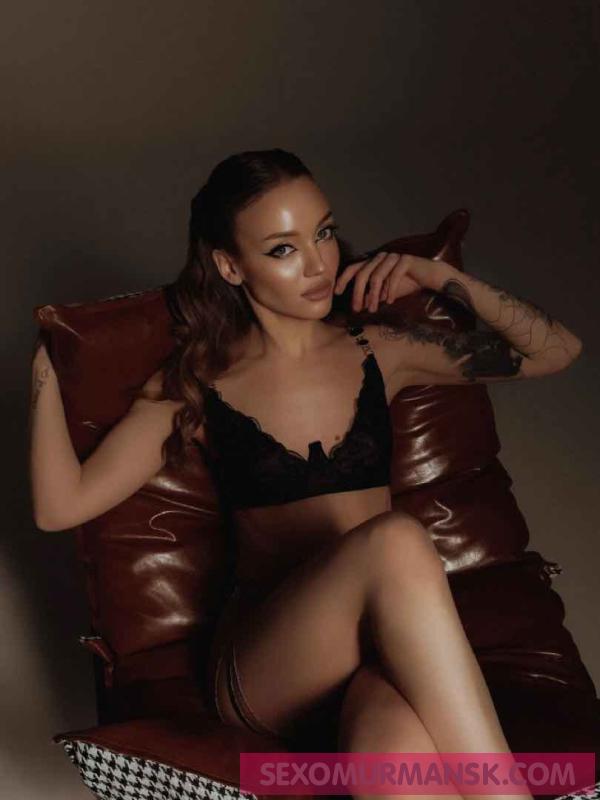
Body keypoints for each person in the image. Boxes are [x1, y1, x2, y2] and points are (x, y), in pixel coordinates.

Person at [30, 149, 582, 800]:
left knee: (394, 761)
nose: (320, 265)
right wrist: (45, 374)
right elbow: (61, 507)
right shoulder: (198, 386)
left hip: (378, 657)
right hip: (273, 669)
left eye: (323, 233)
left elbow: (556, 350)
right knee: (396, 541)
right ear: (230, 266)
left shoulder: (382, 350)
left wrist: (435, 276)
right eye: (283, 250)